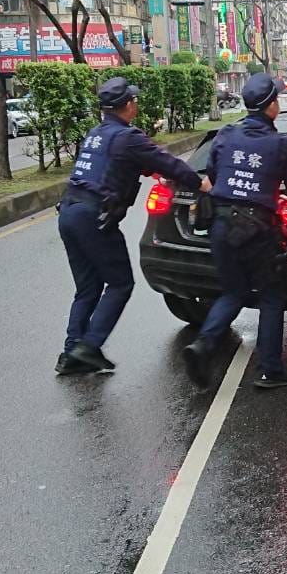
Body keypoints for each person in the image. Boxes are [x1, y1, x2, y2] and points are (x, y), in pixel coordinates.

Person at [55, 76, 208, 377]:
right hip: (94, 217)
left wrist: (152, 172)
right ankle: (89, 346)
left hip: (70, 211)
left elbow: (123, 163)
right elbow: (169, 162)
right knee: (121, 283)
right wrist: (200, 182)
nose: (136, 104)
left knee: (87, 287)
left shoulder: (97, 133)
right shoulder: (129, 137)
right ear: (127, 105)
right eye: (134, 100)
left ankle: (71, 351)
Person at [182, 73, 287, 391]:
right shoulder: (282, 144)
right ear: (271, 106)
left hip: (220, 227)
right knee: (270, 294)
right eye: (276, 99)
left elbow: (212, 175)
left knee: (233, 292)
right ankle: (270, 370)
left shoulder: (225, 135)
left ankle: (203, 347)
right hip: (256, 231)